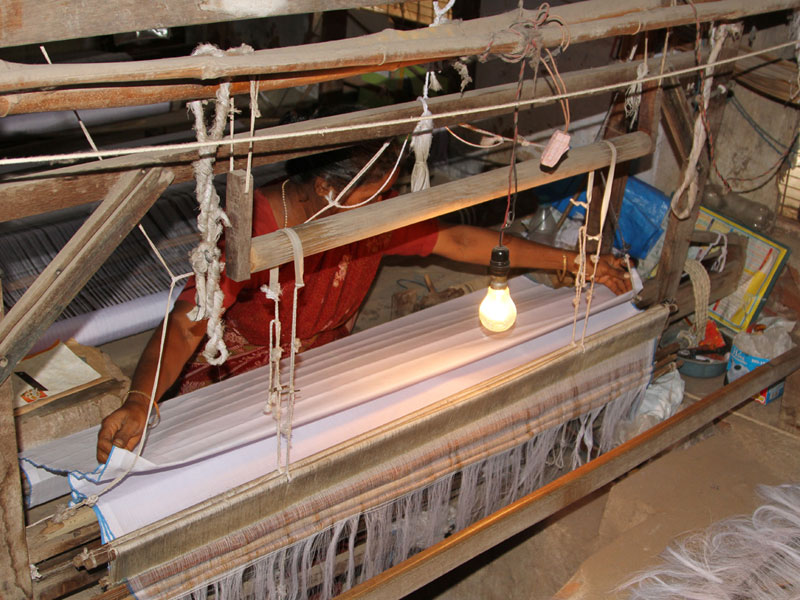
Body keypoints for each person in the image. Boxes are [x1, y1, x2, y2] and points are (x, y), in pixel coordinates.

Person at [96, 141, 631, 462]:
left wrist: (573, 261)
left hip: (328, 361)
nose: (386, 202)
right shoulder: (250, 230)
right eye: (377, 190)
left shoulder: (369, 211)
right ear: (327, 188)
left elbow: (458, 240)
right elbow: (188, 323)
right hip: (245, 375)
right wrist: (141, 399)